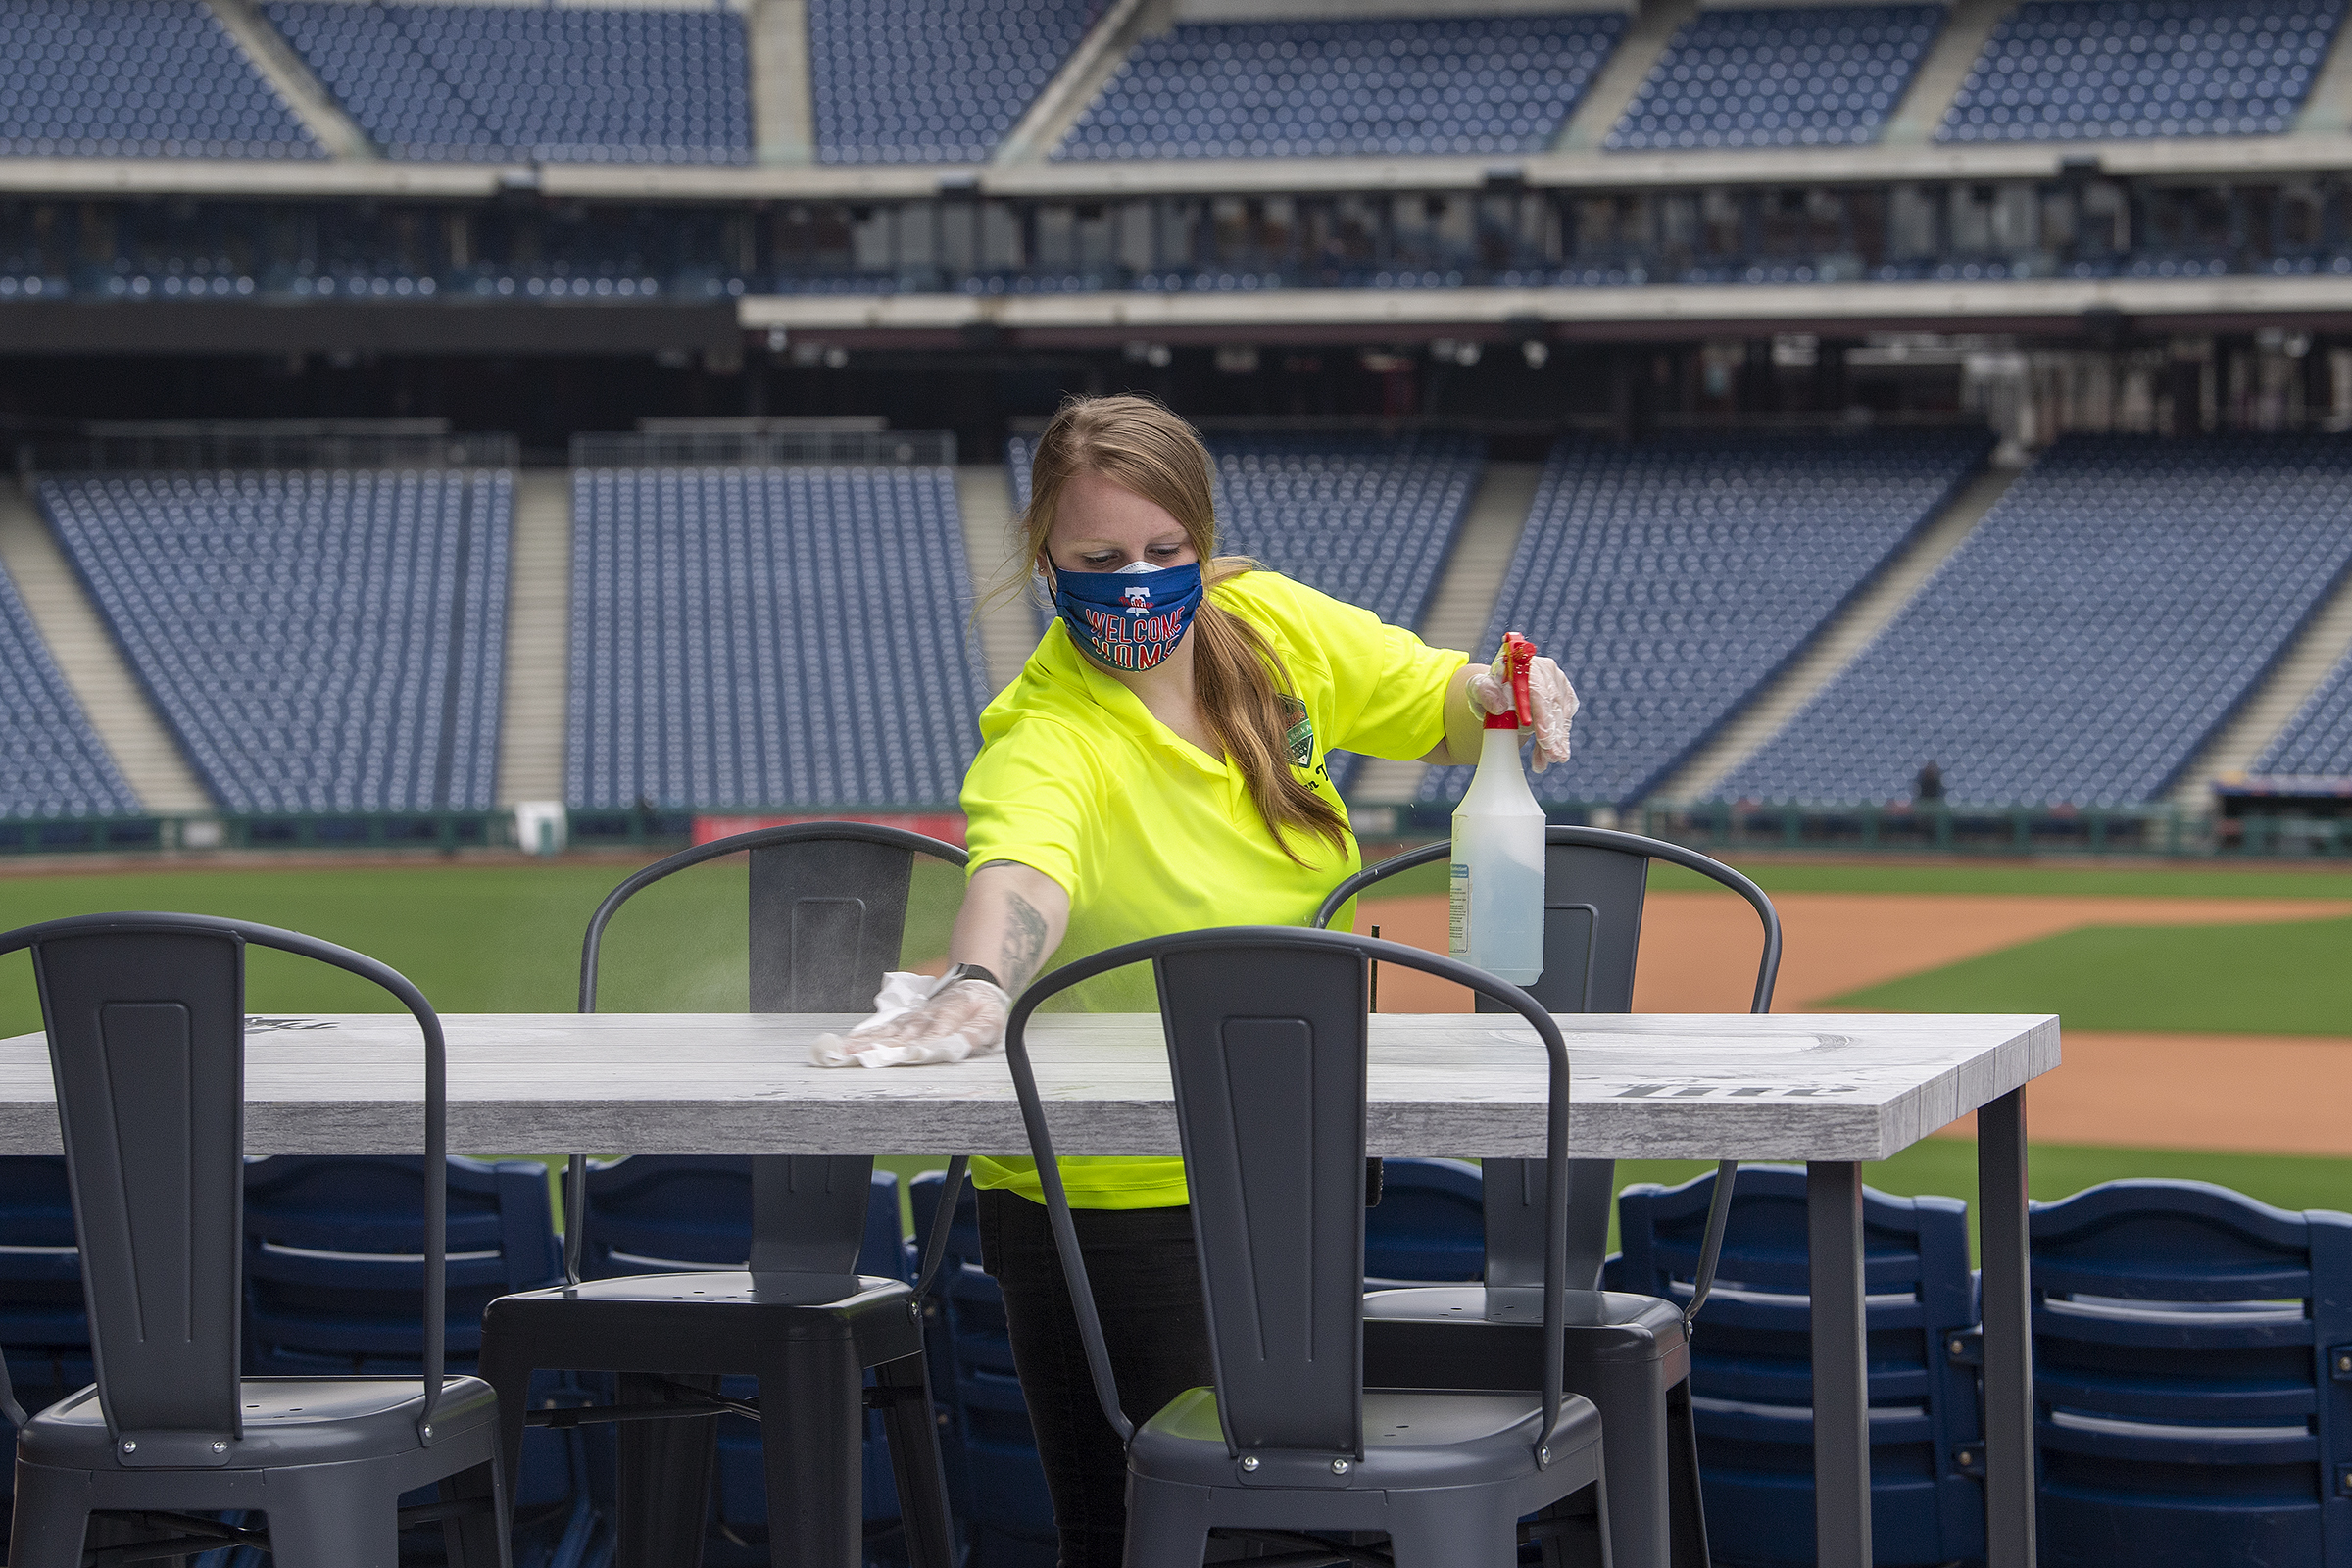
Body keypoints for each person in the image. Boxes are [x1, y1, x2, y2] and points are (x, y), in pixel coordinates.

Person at [818, 395, 1578, 1566]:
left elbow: (1423, 693)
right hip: (1116, 1207)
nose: (1138, 582)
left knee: (1306, 1527)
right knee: (1161, 1536)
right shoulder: (1046, 730)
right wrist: (978, 980)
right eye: (1099, 558)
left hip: (1294, 1173)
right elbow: (1024, 866)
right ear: (1044, 560)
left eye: (1165, 553)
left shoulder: (1267, 623)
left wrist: (1497, 691)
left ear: (1202, 541)